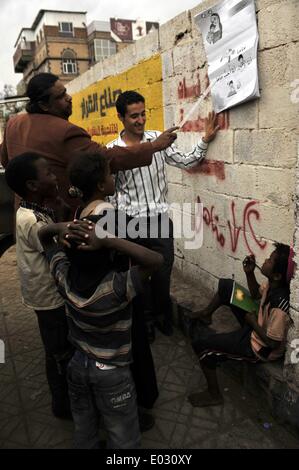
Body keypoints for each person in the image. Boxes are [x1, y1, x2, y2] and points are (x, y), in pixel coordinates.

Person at [38, 209, 163, 449]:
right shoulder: (117, 288)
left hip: (77, 366)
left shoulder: (62, 276)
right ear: (111, 255)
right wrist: (108, 238)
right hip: (112, 373)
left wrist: (64, 227)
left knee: (84, 427)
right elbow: (156, 260)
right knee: (122, 434)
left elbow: (43, 236)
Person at [107, 90, 219, 340]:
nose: (140, 120)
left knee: (162, 272)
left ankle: (162, 317)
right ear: (121, 118)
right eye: (134, 116)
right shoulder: (112, 151)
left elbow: (186, 161)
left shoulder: (158, 139)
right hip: (130, 225)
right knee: (138, 277)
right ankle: (145, 320)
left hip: (159, 223)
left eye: (143, 113)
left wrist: (205, 140)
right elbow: (110, 192)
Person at [68, 151, 159, 431]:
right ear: (99, 184)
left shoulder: (79, 212)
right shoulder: (110, 215)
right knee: (130, 353)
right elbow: (145, 250)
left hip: (91, 298)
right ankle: (133, 408)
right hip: (119, 294)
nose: (113, 178)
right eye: (109, 174)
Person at [0, 73, 178, 212]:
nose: (69, 98)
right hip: (59, 218)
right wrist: (154, 146)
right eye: (61, 96)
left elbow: (6, 162)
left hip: (25, 215)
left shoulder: (14, 123)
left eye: (66, 92)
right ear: (44, 105)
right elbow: (106, 158)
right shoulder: (64, 131)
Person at [4, 152, 74, 419]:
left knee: (57, 346)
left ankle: (63, 397)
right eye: (49, 174)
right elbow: (55, 249)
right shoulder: (31, 221)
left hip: (45, 292)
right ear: (32, 185)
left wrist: (59, 204)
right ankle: (63, 404)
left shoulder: (36, 209)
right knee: (58, 351)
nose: (55, 177)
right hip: (47, 296)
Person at [187, 244, 293, 408]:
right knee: (227, 287)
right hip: (257, 326)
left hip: (259, 347)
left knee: (202, 345)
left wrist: (252, 323)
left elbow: (273, 343)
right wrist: (249, 273)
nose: (265, 260)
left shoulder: (280, 307)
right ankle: (207, 314)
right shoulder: (273, 284)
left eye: (270, 260)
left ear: (278, 275)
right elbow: (256, 294)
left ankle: (214, 394)